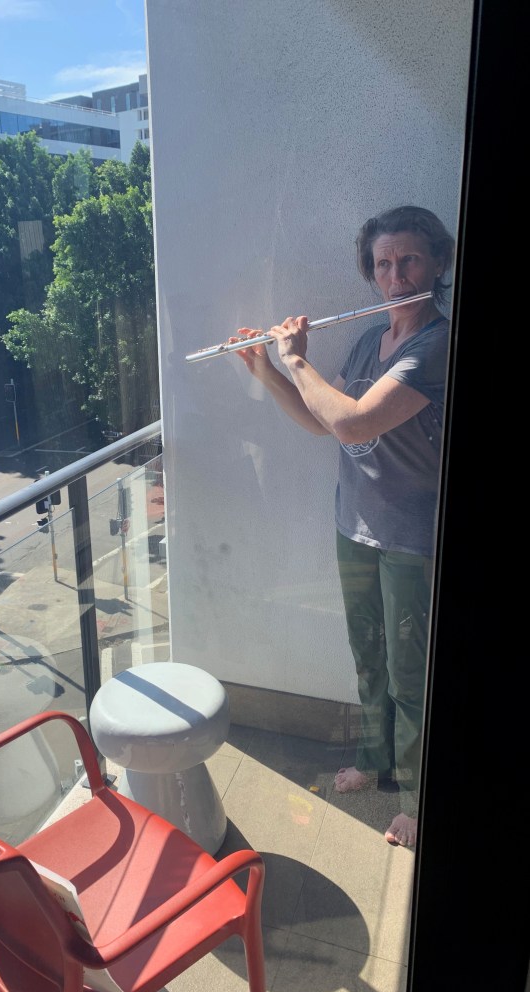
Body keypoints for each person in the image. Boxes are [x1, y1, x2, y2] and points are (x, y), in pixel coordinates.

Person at [231, 205, 454, 848]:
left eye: (409, 260)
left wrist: (297, 360)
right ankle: (376, 761)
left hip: (413, 539)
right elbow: (321, 421)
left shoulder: (435, 345)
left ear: (437, 264)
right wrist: (268, 370)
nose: (396, 276)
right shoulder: (368, 340)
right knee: (368, 656)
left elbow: (355, 423)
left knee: (411, 675)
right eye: (383, 264)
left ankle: (414, 799)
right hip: (354, 525)